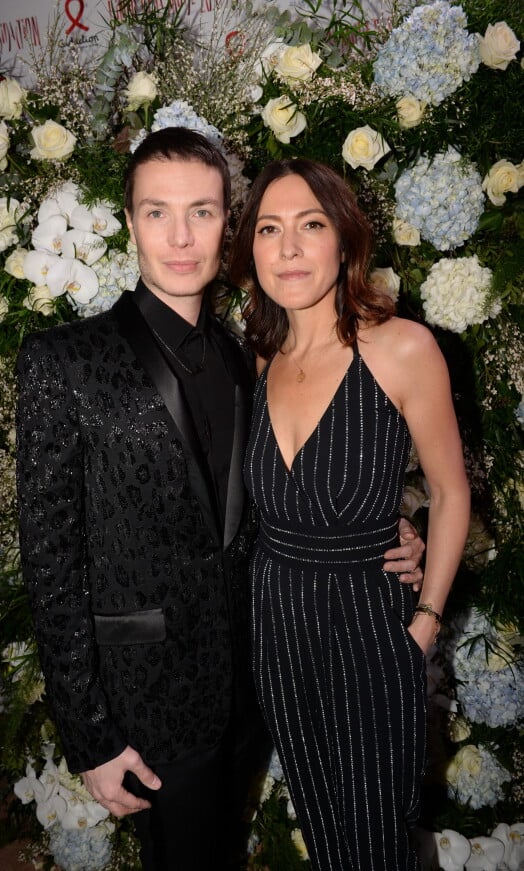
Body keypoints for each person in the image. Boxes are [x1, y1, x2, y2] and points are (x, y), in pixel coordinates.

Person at [15, 130, 425, 871]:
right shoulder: (62, 361)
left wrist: (387, 528)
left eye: (201, 212)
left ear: (226, 224)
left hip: (256, 682)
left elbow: (282, 492)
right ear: (129, 220)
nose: (180, 237)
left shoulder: (250, 355)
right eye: (157, 212)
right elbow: (49, 563)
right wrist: (90, 735)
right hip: (148, 705)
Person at [229, 158, 470, 871]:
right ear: (253, 252)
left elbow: (452, 491)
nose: (290, 247)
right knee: (330, 840)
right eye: (270, 229)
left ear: (345, 240)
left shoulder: (403, 348)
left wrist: (423, 622)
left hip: (369, 626)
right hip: (278, 626)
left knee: (375, 842)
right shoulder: (259, 357)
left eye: (311, 225)